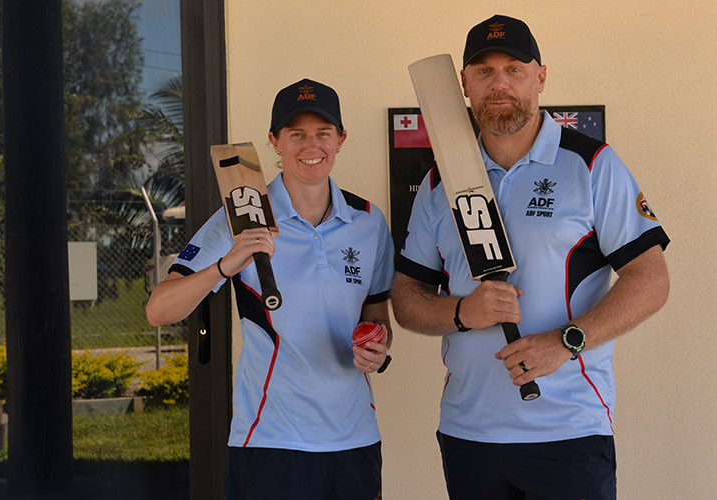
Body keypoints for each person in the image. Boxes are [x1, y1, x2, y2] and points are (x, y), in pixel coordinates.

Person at [391, 14, 670, 500]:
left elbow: (651, 280)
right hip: (468, 432)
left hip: (568, 432)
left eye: (514, 69)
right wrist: (462, 312)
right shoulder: (438, 184)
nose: (499, 83)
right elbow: (406, 299)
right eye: (483, 71)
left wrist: (565, 342)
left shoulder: (592, 165)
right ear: (464, 84)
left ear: (540, 76)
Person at [146, 78, 395, 500]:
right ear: (274, 141)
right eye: (296, 134)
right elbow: (159, 309)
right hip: (271, 441)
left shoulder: (369, 221)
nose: (310, 145)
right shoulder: (240, 217)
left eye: (323, 133)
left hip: (355, 440)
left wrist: (380, 351)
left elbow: (376, 319)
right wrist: (226, 265)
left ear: (341, 139)